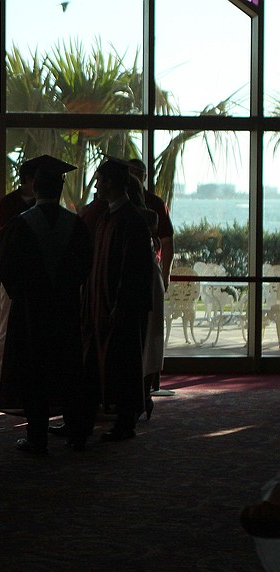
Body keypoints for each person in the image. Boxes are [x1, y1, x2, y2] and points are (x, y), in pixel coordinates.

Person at [0, 155, 92, 454]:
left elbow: (4, 264)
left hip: (31, 312)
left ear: (35, 187)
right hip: (64, 310)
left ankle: (38, 437)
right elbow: (85, 265)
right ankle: (76, 434)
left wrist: (23, 294)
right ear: (61, 188)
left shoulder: (20, 225)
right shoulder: (75, 225)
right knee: (69, 370)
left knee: (34, 373)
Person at [83, 156, 153, 442]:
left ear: (111, 182)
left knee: (123, 365)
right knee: (103, 364)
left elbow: (133, 270)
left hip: (119, 308)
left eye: (99, 180)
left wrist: (120, 306)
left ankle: (125, 423)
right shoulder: (108, 217)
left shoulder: (131, 221)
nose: (97, 186)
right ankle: (91, 419)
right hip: (102, 304)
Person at [128, 157, 175, 400]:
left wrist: (165, 275)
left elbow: (167, 244)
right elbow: (166, 243)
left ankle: (145, 387)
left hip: (148, 272)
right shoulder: (154, 206)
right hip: (150, 273)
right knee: (150, 333)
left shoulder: (153, 206)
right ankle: (145, 389)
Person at [0, 158, 39, 391]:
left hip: (29, 275)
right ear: (30, 180)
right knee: (5, 325)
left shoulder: (12, 203)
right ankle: (2, 375)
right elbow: (3, 240)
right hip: (14, 274)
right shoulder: (9, 203)